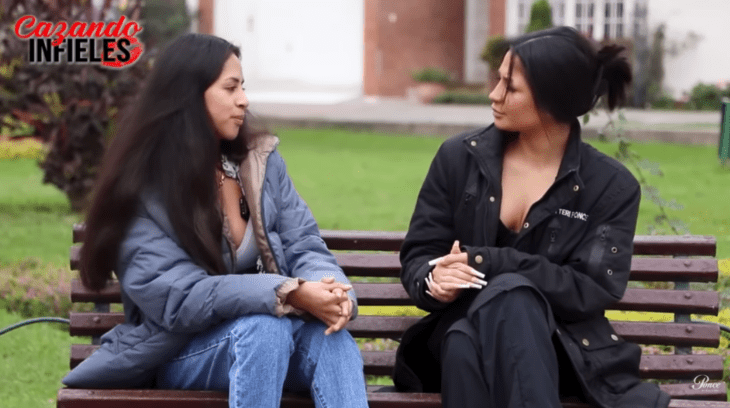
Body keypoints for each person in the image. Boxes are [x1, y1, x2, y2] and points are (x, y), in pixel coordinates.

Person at [61, 33, 369, 408]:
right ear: (189, 95)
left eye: (244, 87)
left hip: (275, 337)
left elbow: (303, 243)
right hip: (182, 350)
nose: (244, 100)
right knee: (263, 330)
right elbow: (177, 297)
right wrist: (285, 292)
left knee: (330, 339)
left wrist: (336, 293)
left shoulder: (261, 163)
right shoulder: (143, 183)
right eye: (231, 88)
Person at [393, 26, 670, 408]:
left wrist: (491, 262)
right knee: (488, 313)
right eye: (498, 80)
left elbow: (590, 290)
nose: (494, 94)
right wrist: (434, 278)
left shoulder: (611, 186)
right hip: (455, 324)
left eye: (510, 86)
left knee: (491, 318)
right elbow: (421, 254)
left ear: (551, 100)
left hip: (559, 349)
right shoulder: (458, 158)